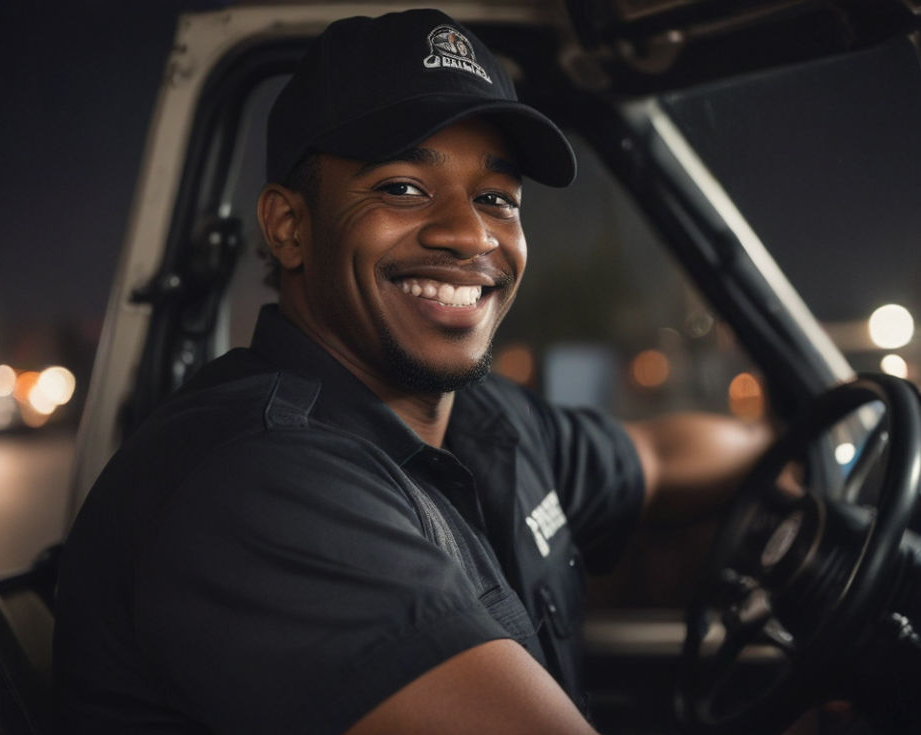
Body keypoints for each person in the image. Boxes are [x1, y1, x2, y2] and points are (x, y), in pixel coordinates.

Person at [53, 9, 771, 735]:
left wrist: (790, 452)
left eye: (496, 197)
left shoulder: (487, 421)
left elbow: (656, 456)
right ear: (289, 226)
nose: (469, 233)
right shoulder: (257, 482)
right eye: (402, 187)